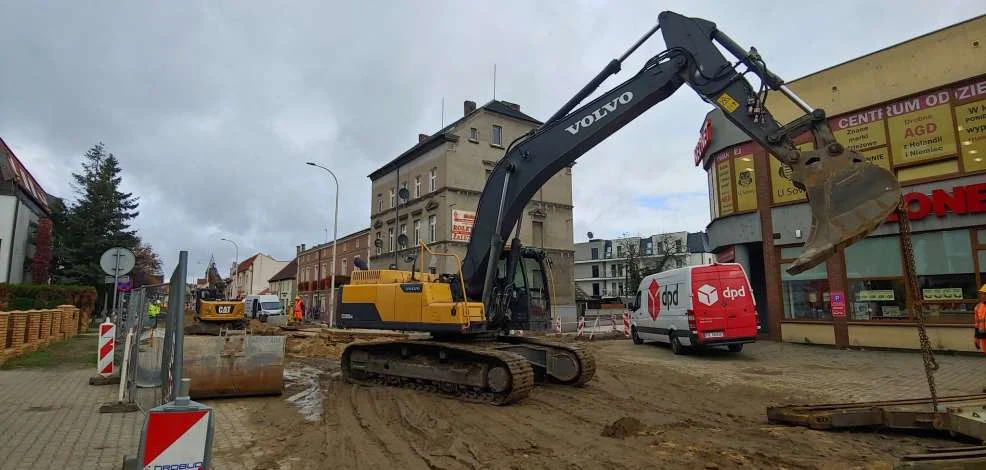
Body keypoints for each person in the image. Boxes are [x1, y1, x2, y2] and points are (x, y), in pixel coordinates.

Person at [975, 284, 986, 354]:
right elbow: (977, 324)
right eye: (982, 293)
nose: (983, 295)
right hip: (983, 336)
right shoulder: (978, 307)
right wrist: (976, 338)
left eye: (985, 293)